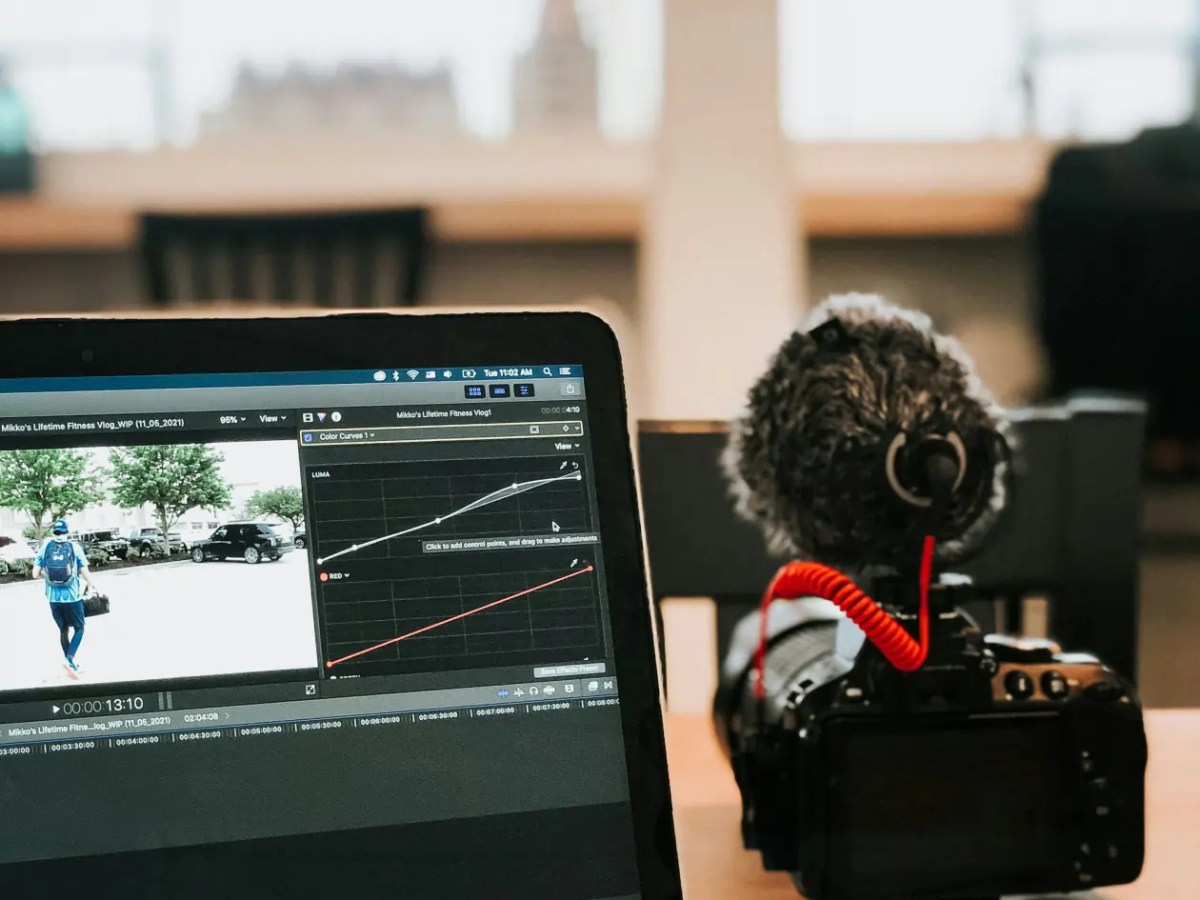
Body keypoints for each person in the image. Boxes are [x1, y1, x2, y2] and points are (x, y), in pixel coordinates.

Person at [31, 519, 97, 680]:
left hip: (53, 598)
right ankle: (69, 659)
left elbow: (34, 574)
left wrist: (50, 579)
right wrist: (93, 586)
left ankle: (71, 665)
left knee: (63, 629)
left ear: (54, 532)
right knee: (79, 627)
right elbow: (84, 571)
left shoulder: (45, 547)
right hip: (72, 596)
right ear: (67, 532)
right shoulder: (74, 548)